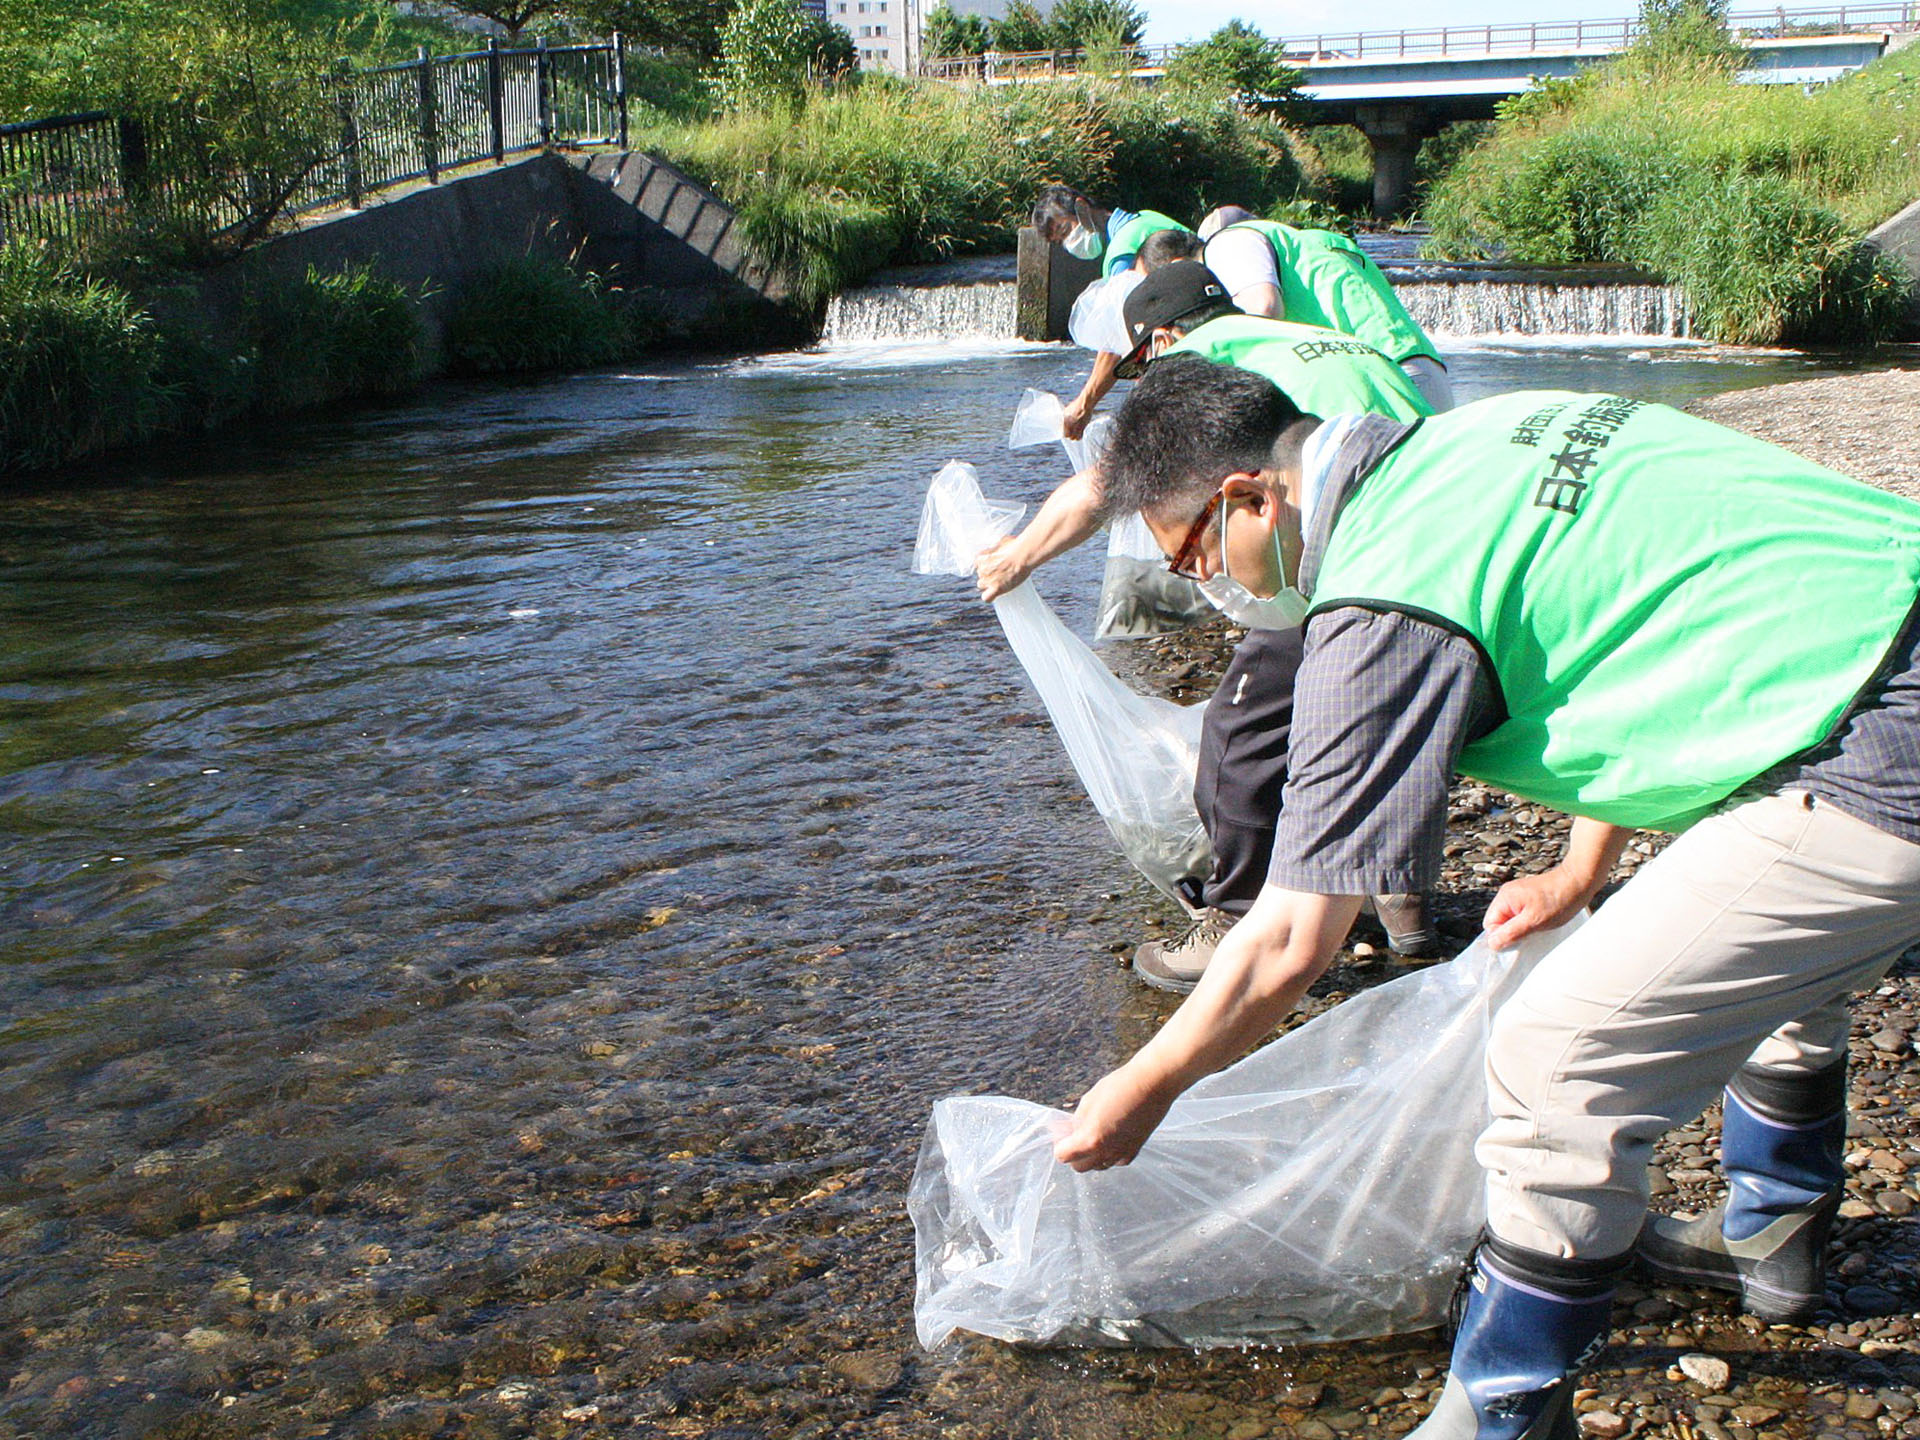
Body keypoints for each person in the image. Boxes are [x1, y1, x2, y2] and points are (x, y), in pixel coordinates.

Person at [1054, 354, 1920, 1439]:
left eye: (1195, 556)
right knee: (1770, 938)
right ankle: (1773, 1233)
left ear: (1248, 498)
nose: (1213, 590)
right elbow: (1636, 645)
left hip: (1881, 749)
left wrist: (1143, 1087)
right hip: (1861, 633)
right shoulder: (1471, 440)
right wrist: (1579, 867)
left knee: (1557, 1057)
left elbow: (1289, 938)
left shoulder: (1378, 602)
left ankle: (1502, 1414)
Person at [977, 262, 1441, 990]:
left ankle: (1233, 920)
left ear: (1162, 339)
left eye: (1137, 366)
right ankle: (1400, 902)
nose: (1140, 384)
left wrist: (1019, 557)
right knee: (1381, 712)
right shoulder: (1305, 336)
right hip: (1427, 520)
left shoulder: (1198, 367)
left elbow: (1104, 486)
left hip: (1346, 539)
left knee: (1241, 730)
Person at [1155, 208, 1454, 412]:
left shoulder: (1228, 242)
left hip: (1373, 384)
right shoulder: (1312, 242)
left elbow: (1264, 308)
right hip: (1421, 371)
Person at [1029, 184, 1192, 438]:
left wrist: (1085, 404)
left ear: (1082, 207)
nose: (1069, 243)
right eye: (1060, 242)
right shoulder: (1148, 219)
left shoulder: (1121, 253)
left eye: (1066, 230)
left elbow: (1117, 339)